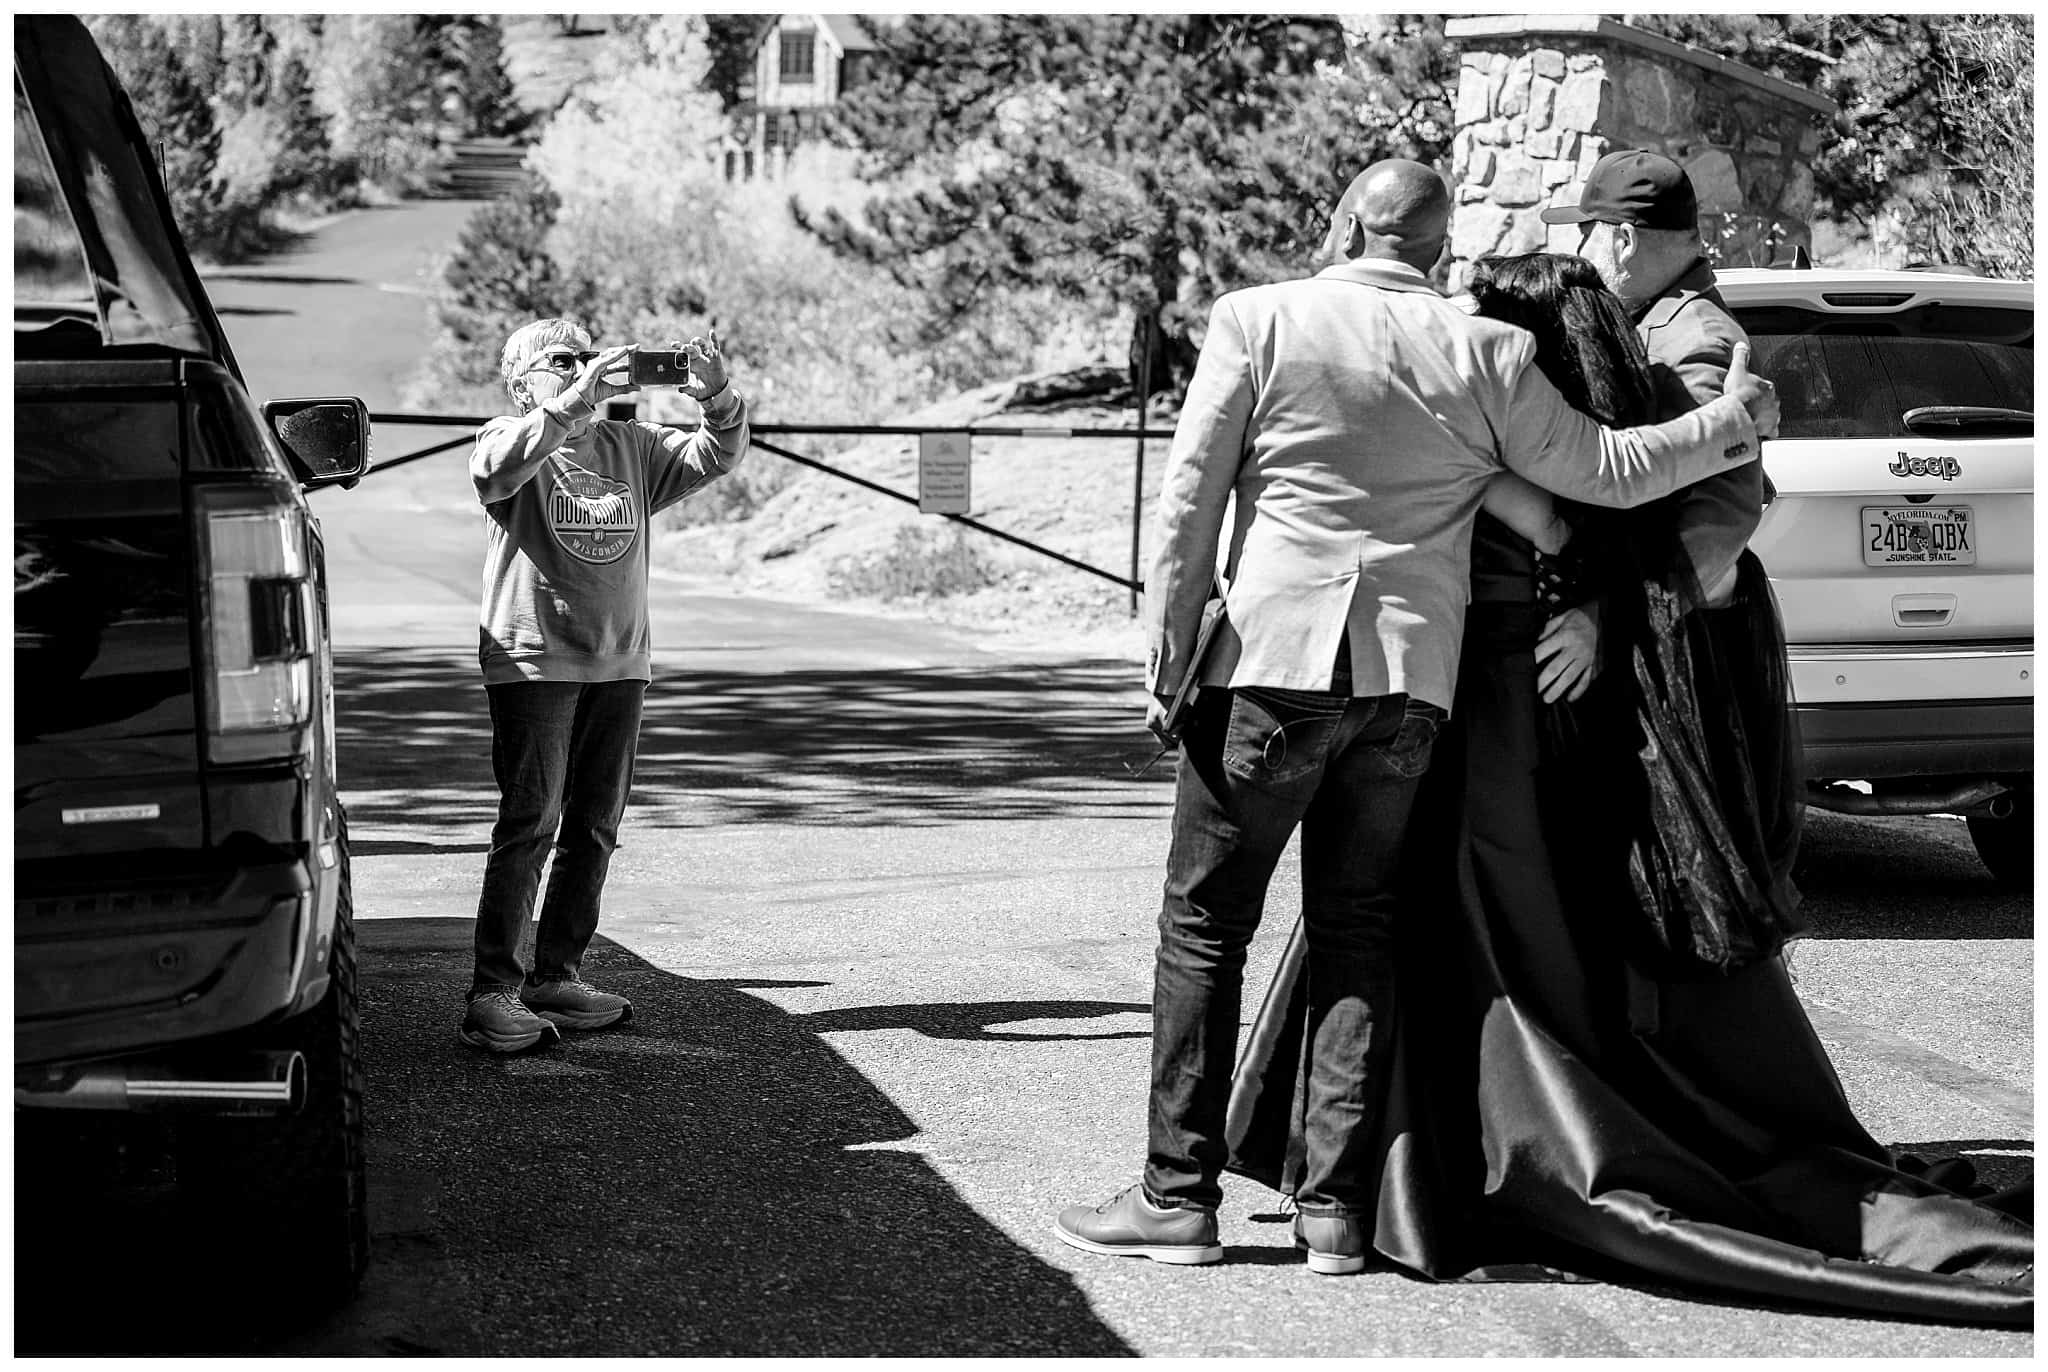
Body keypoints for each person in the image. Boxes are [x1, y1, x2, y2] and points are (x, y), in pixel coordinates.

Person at [1224, 253, 2032, 1324]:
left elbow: (1597, 511)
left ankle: (1442, 1164)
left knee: (1432, 925)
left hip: (1484, 709)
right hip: (1567, 717)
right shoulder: (1635, 401)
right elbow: (1635, 514)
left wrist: (1592, 599)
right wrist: (1617, 575)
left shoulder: (1510, 394)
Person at [1053, 159, 1782, 1273]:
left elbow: (1190, 496)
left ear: (1344, 220)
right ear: (1437, 251)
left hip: (1267, 669)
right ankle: (1334, 1215)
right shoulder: (1482, 350)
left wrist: (1166, 642)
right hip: (1407, 687)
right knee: (1359, 929)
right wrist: (1730, 425)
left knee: (1204, 927)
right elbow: (1610, 471)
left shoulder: (1258, 317)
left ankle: (1176, 1199)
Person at [460, 320, 750, 1053]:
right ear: (524, 381)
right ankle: (492, 991)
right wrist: (573, 404)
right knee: (531, 823)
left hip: (620, 661)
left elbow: (720, 454)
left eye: (588, 357)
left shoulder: (633, 445)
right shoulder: (509, 434)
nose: (583, 366)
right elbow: (494, 472)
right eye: (563, 361)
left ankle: (556, 975)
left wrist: (714, 392)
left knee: (593, 827)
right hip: (535, 660)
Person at [1541, 148, 1801, 903]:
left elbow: (1716, 518)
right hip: (1664, 636)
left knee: (1682, 892)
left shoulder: (1693, 338)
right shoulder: (1657, 321)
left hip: (1684, 650)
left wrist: (1608, 613)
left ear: (1621, 239)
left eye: (1585, 234)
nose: (1579, 254)